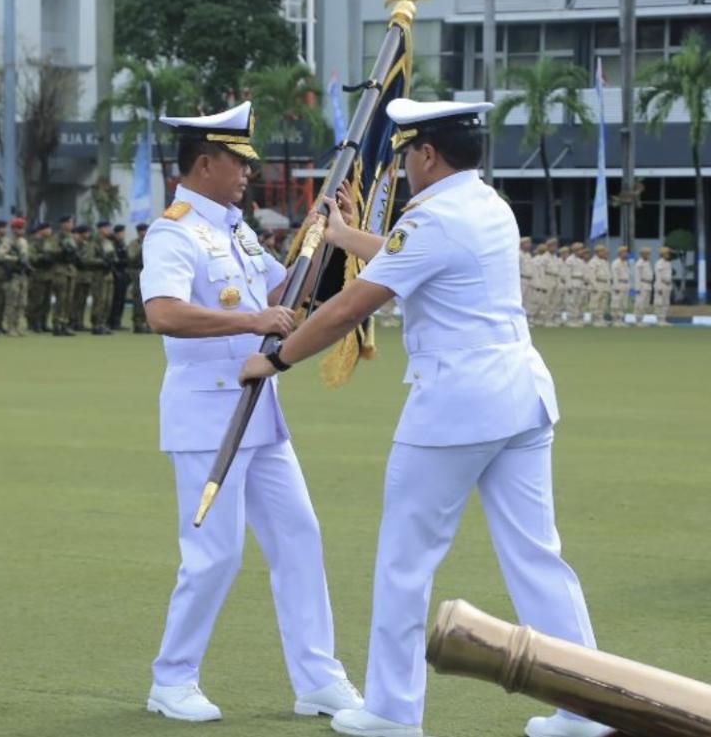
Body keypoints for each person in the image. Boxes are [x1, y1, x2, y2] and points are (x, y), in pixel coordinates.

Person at [240, 98, 611, 737]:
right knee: (538, 558)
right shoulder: (486, 203)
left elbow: (349, 307)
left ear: (428, 155)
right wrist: (343, 237)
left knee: (405, 561)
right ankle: (586, 706)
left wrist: (276, 359)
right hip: (520, 394)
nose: (406, 166)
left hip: (456, 404)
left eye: (409, 153)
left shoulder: (432, 218)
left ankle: (392, 708)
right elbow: (406, 255)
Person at [140, 101, 362, 723]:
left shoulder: (234, 229)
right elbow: (162, 312)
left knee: (299, 537)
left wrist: (324, 238)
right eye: (237, 162)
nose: (246, 173)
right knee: (215, 553)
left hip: (259, 412)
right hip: (207, 415)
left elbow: (284, 293)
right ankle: (171, 680)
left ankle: (318, 678)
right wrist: (248, 322)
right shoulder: (174, 232)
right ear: (204, 163)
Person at [0, 217, 30, 336]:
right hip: (13, 275)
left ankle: (17, 325)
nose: (20, 230)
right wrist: (15, 259)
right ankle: (10, 326)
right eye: (18, 228)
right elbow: (1, 256)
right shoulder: (7, 242)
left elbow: (26, 257)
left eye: (22, 228)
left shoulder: (23, 242)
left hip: (22, 275)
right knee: (12, 302)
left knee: (22, 302)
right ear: (13, 229)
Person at [86, 220, 116, 335]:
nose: (108, 230)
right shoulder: (93, 243)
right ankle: (96, 324)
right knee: (99, 300)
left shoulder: (108, 242)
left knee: (108, 301)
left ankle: (103, 323)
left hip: (108, 275)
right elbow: (88, 259)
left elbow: (113, 256)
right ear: (100, 229)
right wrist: (101, 262)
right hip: (98, 275)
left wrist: (112, 261)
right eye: (106, 228)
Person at [27, 221, 56, 332]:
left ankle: (44, 322)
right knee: (37, 301)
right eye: (47, 229)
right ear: (41, 231)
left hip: (49, 274)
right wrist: (42, 257)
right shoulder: (34, 242)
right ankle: (34, 323)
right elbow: (31, 257)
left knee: (46, 302)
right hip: (38, 275)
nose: (49, 231)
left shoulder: (51, 242)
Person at [51, 214, 77, 336]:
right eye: (69, 222)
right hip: (60, 270)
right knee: (61, 298)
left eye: (71, 222)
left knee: (68, 299)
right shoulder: (57, 237)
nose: (71, 225)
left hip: (70, 270)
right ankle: (57, 324)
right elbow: (51, 251)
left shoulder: (71, 237)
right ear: (63, 224)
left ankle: (64, 323)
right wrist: (63, 250)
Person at [127, 222, 150, 333]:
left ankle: (147, 323)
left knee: (148, 299)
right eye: (141, 231)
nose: (143, 233)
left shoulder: (151, 242)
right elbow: (131, 258)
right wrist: (141, 248)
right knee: (138, 299)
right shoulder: (134, 244)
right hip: (137, 272)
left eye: (145, 230)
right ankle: (138, 323)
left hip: (149, 272)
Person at [69, 224, 93, 331]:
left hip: (86, 277)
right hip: (77, 276)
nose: (88, 234)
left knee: (82, 301)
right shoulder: (75, 245)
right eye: (86, 232)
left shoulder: (86, 244)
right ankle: (72, 321)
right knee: (75, 301)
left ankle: (79, 322)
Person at [108, 223, 129, 330]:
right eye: (121, 232)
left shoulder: (122, 244)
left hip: (123, 274)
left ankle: (117, 321)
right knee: (114, 300)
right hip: (116, 274)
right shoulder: (112, 244)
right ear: (117, 233)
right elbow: (113, 261)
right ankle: (111, 322)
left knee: (121, 300)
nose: (123, 235)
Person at [587, 244, 610, 327]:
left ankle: (600, 319)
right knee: (595, 302)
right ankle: (595, 319)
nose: (604, 253)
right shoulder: (593, 262)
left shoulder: (604, 262)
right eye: (603, 251)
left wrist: (608, 286)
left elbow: (608, 275)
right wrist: (594, 286)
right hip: (597, 283)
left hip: (604, 284)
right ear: (598, 252)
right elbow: (591, 275)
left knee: (603, 303)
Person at [610, 245, 630, 327]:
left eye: (626, 252)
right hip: (618, 284)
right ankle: (615, 319)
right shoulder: (616, 263)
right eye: (624, 252)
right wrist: (616, 286)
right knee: (616, 302)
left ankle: (621, 319)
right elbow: (614, 275)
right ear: (620, 253)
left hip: (625, 284)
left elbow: (627, 275)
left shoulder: (626, 263)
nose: (626, 254)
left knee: (623, 303)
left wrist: (628, 285)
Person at [633, 247, 654, 327]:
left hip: (648, 284)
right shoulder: (639, 263)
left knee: (645, 303)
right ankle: (638, 320)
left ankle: (641, 319)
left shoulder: (647, 262)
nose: (649, 255)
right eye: (647, 254)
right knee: (640, 303)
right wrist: (638, 288)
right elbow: (637, 276)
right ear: (643, 254)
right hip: (642, 284)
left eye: (649, 254)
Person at [653, 246, 673, 327]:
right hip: (661, 284)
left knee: (666, 303)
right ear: (663, 254)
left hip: (667, 285)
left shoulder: (668, 263)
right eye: (667, 253)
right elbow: (658, 276)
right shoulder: (659, 263)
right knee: (659, 303)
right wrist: (659, 287)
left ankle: (664, 319)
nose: (668, 254)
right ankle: (659, 320)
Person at [519, 236, 534, 319]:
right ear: (522, 244)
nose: (529, 245)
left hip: (529, 279)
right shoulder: (518, 254)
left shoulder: (528, 255)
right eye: (527, 243)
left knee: (528, 299)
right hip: (522, 279)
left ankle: (526, 317)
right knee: (521, 299)